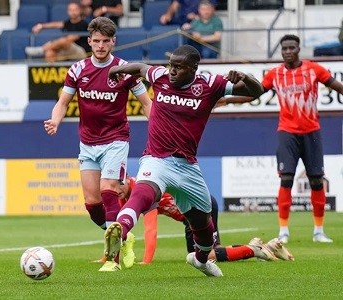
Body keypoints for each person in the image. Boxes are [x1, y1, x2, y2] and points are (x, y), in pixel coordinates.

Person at [102, 44, 264, 276]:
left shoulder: (210, 85)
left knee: (204, 229)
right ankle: (121, 230)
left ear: (193, 69)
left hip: (187, 167)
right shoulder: (160, 76)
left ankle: (200, 260)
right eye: (170, 66)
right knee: (143, 191)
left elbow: (257, 92)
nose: (172, 71)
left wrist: (245, 77)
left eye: (178, 67)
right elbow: (139, 67)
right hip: (156, 159)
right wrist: (116, 70)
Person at [43, 16, 152, 272]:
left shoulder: (125, 69)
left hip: (115, 139)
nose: (101, 46)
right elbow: (63, 101)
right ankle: (121, 234)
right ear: (89, 41)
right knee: (92, 204)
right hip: (88, 143)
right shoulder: (78, 69)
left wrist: (160, 128)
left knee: (108, 190)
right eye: (96, 41)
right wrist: (55, 120)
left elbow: (147, 103)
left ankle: (112, 259)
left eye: (105, 41)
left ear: (113, 41)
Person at [223, 34, 343, 244]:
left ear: (298, 49)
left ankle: (318, 231)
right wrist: (226, 100)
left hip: (312, 132)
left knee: (316, 181)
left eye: (291, 48)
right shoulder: (275, 74)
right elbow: (254, 95)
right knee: (286, 179)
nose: (288, 51)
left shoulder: (314, 69)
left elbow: (337, 86)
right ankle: (283, 231)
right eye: (284, 49)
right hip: (287, 132)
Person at [113, 176, 294, 264]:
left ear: (127, 179)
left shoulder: (143, 190)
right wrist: (108, 257)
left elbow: (150, 229)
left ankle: (257, 249)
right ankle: (257, 246)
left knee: (206, 256)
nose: (115, 190)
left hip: (201, 209)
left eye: (117, 184)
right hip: (189, 219)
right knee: (198, 256)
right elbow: (119, 229)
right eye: (111, 186)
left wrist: (146, 261)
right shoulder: (125, 194)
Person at [24, 2, 91, 63]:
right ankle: (52, 74)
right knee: (49, 52)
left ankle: (41, 50)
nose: (73, 12)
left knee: (65, 40)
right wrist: (41, 26)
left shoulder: (83, 24)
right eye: (70, 10)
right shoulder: (67, 23)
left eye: (75, 10)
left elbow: (71, 38)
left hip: (81, 52)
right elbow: (56, 24)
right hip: (67, 50)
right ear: (67, 11)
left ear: (79, 10)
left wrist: (51, 44)